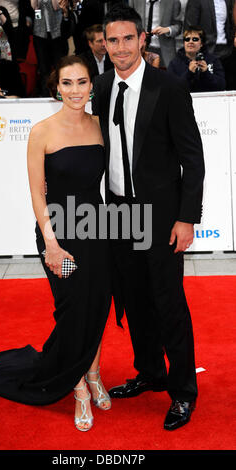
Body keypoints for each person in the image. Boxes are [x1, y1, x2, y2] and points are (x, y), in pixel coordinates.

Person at [0, 54, 112, 432]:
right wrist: (50, 242)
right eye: (67, 83)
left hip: (98, 229)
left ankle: (94, 373)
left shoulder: (101, 127)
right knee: (71, 309)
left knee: (98, 303)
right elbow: (36, 194)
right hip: (59, 235)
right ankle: (78, 386)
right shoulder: (42, 131)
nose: (76, 91)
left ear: (91, 85)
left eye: (82, 82)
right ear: (56, 87)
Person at [92, 3, 205, 430]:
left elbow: (192, 159)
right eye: (112, 40)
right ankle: (150, 373)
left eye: (127, 39)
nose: (120, 47)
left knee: (168, 302)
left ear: (143, 39)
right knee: (134, 299)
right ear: (104, 44)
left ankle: (182, 392)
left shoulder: (169, 88)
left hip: (161, 215)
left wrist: (186, 217)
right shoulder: (100, 88)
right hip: (119, 212)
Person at [184, 0, 235, 86]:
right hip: (206, 51)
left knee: (229, 86)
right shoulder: (196, 2)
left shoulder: (228, 1)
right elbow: (190, 27)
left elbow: (231, 23)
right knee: (207, 87)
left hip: (227, 51)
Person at [167, 26, 226, 92]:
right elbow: (171, 88)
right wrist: (189, 73)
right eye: (187, 39)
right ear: (184, 43)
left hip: (209, 99)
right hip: (185, 100)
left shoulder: (213, 60)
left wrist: (206, 73)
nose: (190, 42)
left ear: (201, 44)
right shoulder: (175, 63)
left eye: (195, 39)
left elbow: (221, 86)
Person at [128, 0, 182, 68]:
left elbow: (179, 26)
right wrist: (138, 32)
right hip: (141, 49)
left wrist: (167, 29)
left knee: (165, 77)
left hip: (165, 51)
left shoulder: (173, 2)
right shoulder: (134, 1)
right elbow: (128, 23)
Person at [31, 0, 69, 97]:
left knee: (59, 66)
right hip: (40, 33)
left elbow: (56, 7)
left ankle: (61, 92)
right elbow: (34, 6)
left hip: (57, 33)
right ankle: (46, 94)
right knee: (44, 69)